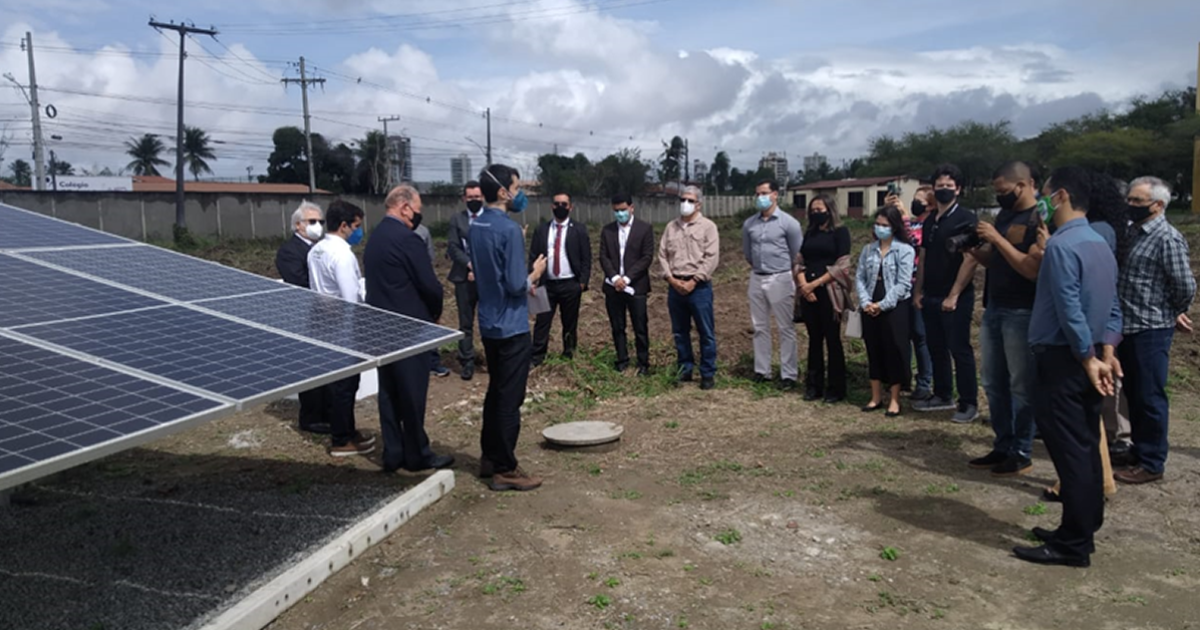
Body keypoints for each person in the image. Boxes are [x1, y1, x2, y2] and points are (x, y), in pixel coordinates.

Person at [1014, 166, 1122, 568]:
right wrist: (1106, 352)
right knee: (1087, 447)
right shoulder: (1099, 242)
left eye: (1044, 195)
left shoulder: (1061, 247)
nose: (1041, 202)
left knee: (1070, 452)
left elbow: (1068, 306)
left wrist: (1084, 356)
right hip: (1092, 355)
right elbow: (1112, 306)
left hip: (1064, 358)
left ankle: (1073, 545)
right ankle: (1082, 524)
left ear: (1059, 196)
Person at [1113, 176, 1196, 485]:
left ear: (1158, 205)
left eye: (1137, 201)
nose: (1130, 205)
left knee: (1149, 396)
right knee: (1134, 393)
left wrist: (1173, 311)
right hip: (1127, 325)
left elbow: (1185, 285)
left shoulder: (1167, 238)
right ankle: (1139, 448)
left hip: (1151, 328)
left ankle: (1152, 461)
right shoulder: (1133, 232)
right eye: (1130, 199)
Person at [364, 185, 453, 473]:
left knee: (388, 393)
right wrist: (435, 313)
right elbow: (429, 285)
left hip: (380, 327)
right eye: (417, 210)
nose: (418, 216)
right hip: (409, 328)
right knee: (412, 394)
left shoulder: (375, 238)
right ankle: (417, 454)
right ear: (404, 207)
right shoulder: (408, 239)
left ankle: (393, 452)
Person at [470, 164, 548, 491]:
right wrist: (536, 272)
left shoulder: (476, 226)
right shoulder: (509, 230)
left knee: (496, 390)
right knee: (509, 398)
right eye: (516, 188)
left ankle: (490, 456)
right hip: (512, 325)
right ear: (503, 193)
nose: (520, 194)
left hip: (488, 322)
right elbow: (517, 284)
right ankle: (506, 467)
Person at [963, 162, 1044, 477]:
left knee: (1021, 384)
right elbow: (997, 261)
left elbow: (1030, 269)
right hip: (995, 307)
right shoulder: (1006, 216)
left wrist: (996, 239)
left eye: (1004, 192)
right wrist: (974, 251)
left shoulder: (1040, 219)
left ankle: (1022, 450)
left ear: (1024, 185)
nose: (1000, 198)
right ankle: (1003, 444)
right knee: (994, 382)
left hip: (1023, 311)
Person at [307, 199, 375, 457]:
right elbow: (350, 298)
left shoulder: (316, 250)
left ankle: (346, 429)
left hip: (323, 321)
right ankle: (342, 438)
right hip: (343, 327)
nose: (359, 231)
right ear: (344, 225)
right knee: (345, 385)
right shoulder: (342, 254)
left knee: (339, 383)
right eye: (357, 226)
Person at [913, 163, 980, 422]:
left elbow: (971, 259)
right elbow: (924, 256)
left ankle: (968, 402)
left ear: (958, 189)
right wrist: (919, 290)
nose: (944, 190)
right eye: (939, 186)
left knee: (959, 349)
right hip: (930, 294)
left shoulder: (966, 219)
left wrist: (953, 294)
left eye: (949, 186)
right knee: (935, 347)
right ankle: (942, 394)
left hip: (956, 298)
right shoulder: (931, 220)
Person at [275, 201, 332, 434]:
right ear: (298, 225)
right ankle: (310, 417)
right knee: (311, 367)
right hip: (306, 315)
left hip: (327, 315)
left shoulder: (322, 248)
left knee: (328, 366)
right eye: (312, 222)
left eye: (320, 222)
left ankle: (327, 411)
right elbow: (298, 281)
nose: (317, 226)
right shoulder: (289, 251)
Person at [658, 185, 720, 390]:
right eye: (683, 200)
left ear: (699, 204)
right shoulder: (671, 227)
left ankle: (707, 373)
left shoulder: (708, 227)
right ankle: (685, 368)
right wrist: (671, 279)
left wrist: (694, 281)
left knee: (706, 332)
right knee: (680, 331)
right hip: (675, 286)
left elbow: (711, 258)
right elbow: (662, 255)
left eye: (690, 200)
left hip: (699, 287)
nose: (685, 204)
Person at [743, 179, 803, 389]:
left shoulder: (789, 223)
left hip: (781, 277)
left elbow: (797, 254)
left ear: (776, 194)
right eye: (758, 193)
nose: (761, 197)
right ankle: (762, 370)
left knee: (785, 327)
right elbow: (748, 253)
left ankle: (788, 374)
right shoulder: (750, 224)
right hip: (757, 276)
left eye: (765, 193)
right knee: (759, 327)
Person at [855, 206, 915, 417]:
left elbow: (903, 284)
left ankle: (895, 399)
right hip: (870, 305)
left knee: (894, 351)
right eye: (878, 224)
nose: (880, 229)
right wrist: (866, 302)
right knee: (874, 349)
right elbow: (860, 277)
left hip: (894, 308)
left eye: (885, 225)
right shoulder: (868, 250)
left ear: (894, 227)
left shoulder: (905, 250)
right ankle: (875, 397)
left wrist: (882, 305)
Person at [795, 194, 852, 402]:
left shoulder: (840, 232)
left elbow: (843, 265)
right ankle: (813, 386)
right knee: (814, 340)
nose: (816, 213)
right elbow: (799, 260)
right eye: (813, 210)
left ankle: (836, 388)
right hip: (808, 294)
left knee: (832, 339)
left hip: (829, 292)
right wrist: (803, 285)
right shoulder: (809, 232)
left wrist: (815, 283)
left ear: (829, 210)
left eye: (820, 210)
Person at [529, 192, 591, 367]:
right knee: (542, 322)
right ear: (552, 206)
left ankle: (569, 354)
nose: (560, 207)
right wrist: (533, 280)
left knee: (569, 322)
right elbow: (534, 255)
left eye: (564, 204)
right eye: (557, 204)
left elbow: (586, 257)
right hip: (546, 284)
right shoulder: (541, 229)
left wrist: (583, 282)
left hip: (570, 284)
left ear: (570, 207)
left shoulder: (578, 229)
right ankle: (537, 357)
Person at [600, 193, 655, 375]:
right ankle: (622, 360)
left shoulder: (644, 229)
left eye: (623, 210)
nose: (620, 213)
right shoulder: (607, 231)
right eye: (616, 211)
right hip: (613, 286)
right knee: (618, 326)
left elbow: (646, 257)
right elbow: (603, 257)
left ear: (632, 208)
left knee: (640, 326)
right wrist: (615, 278)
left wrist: (628, 278)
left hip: (636, 286)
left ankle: (643, 363)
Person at [446, 181, 485, 380]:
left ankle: (490, 358)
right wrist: (470, 265)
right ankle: (467, 360)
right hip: (464, 276)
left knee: (488, 319)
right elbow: (453, 247)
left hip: (486, 278)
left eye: (477, 197)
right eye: (470, 197)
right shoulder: (457, 220)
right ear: (464, 199)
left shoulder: (490, 219)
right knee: (465, 321)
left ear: (483, 197)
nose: (474, 200)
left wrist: (481, 269)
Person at [901, 186, 934, 400]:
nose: (915, 203)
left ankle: (925, 381)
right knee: (907, 334)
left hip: (921, 284)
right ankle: (904, 378)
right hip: (903, 283)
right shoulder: (911, 222)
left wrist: (903, 216)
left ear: (930, 204)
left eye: (919, 200)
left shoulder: (930, 225)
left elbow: (914, 242)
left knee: (921, 335)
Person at [413, 217, 452, 378]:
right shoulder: (394, 233)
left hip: (421, 279)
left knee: (428, 321)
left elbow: (430, 257)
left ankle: (433, 362)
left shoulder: (423, 231)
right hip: (404, 283)